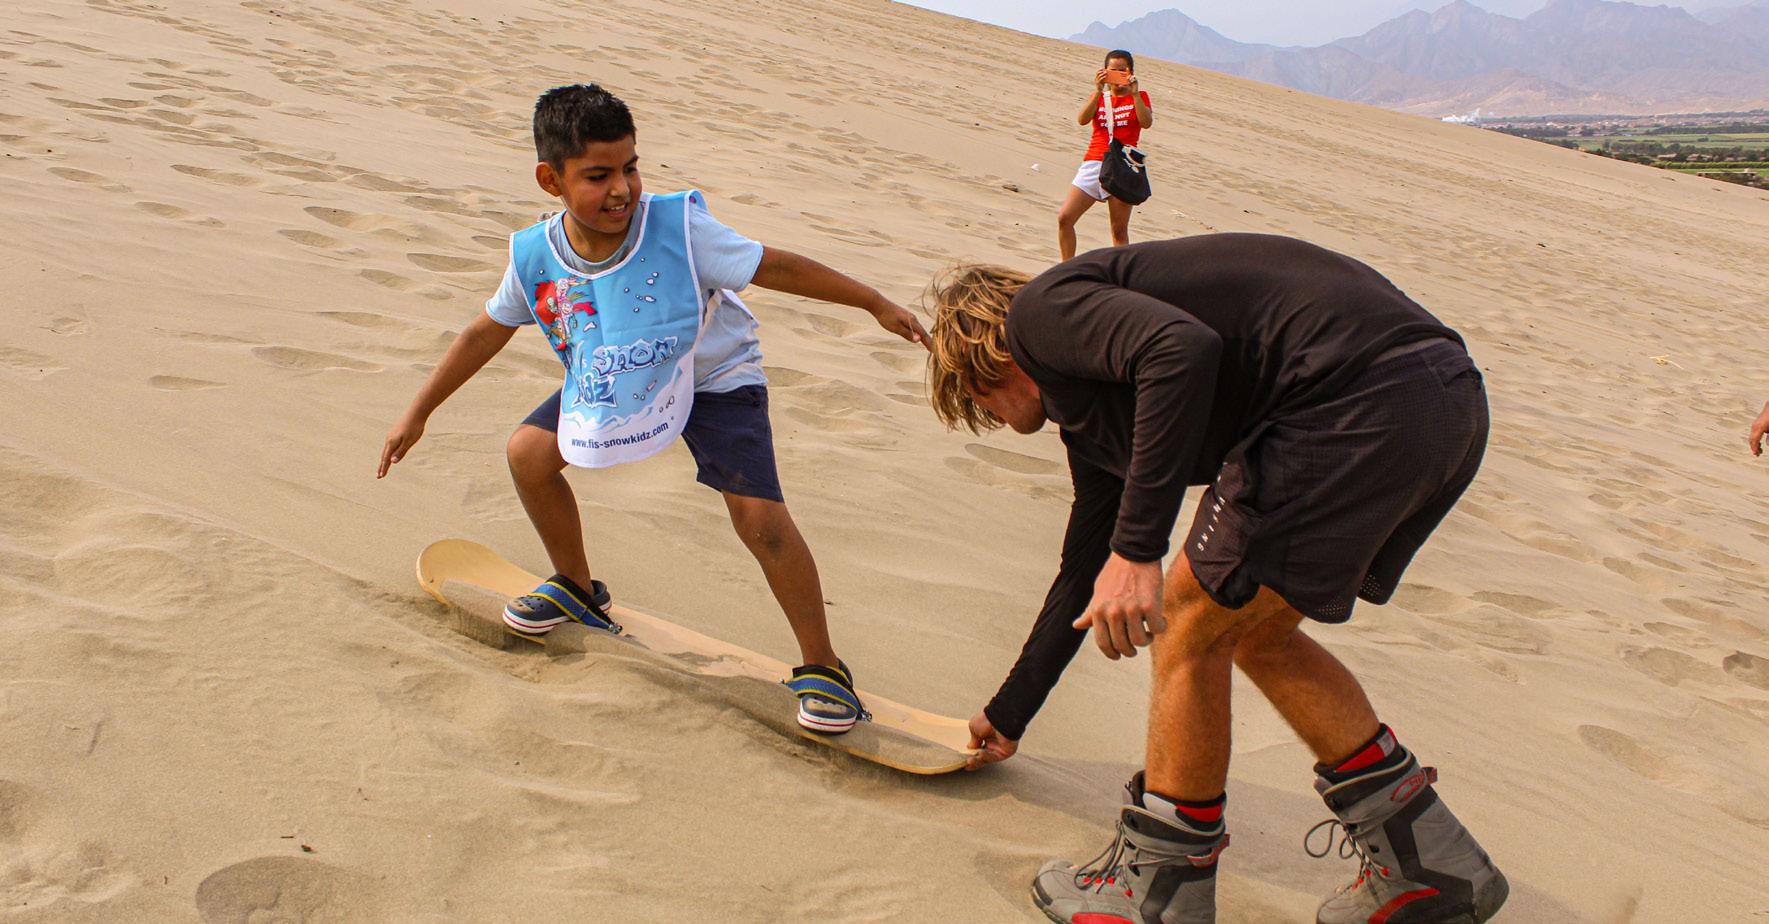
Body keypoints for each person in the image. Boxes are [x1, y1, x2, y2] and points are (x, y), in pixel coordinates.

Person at [924, 236, 1509, 924]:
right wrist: (1007, 715)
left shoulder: (1039, 314)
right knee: (1251, 629)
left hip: (1352, 398)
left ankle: (1159, 892)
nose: (985, 414)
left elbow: (1182, 348)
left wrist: (1139, 551)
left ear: (983, 357)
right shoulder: (1097, 414)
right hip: (1441, 400)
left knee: (1188, 623)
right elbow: (1082, 574)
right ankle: (1430, 866)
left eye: (971, 394)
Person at [379, 84, 928, 736]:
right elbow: (484, 332)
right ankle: (577, 588)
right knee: (528, 454)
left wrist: (872, 302)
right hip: (622, 376)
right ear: (550, 180)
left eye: (631, 167)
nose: (622, 190)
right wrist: (418, 413)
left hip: (715, 376)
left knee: (760, 519)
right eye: (598, 176)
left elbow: (774, 267)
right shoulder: (535, 255)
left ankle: (824, 667)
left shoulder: (677, 228)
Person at [1057, 49, 1153, 261]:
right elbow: (1082, 119)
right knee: (1065, 218)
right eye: (1113, 71)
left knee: (1119, 231)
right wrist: (1098, 90)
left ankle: (1121, 274)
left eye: (1122, 70)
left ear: (1131, 72)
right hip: (1094, 162)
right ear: (1104, 71)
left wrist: (1135, 94)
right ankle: (1066, 267)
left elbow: (1146, 122)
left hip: (1122, 166)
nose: (1117, 75)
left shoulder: (1140, 96)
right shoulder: (1099, 97)